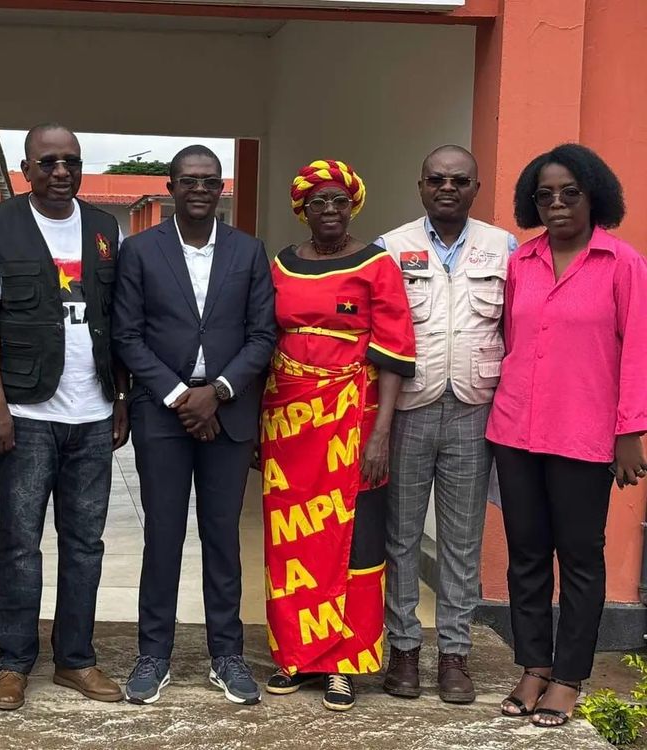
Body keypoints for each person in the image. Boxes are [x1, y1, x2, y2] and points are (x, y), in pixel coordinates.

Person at [0, 123, 129, 711]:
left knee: (85, 543)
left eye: (71, 162)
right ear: (26, 169)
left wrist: (122, 398)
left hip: (93, 412)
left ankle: (75, 659)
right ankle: (13, 662)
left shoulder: (106, 229)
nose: (61, 172)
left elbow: (120, 319)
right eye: (48, 162)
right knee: (19, 542)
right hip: (26, 411)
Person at [488, 143, 647, 727]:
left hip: (584, 434)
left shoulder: (622, 263)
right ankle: (534, 666)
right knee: (526, 555)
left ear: (593, 196)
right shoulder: (522, 262)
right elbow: (511, 340)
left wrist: (630, 431)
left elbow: (638, 350)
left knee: (580, 557)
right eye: (545, 195)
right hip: (516, 430)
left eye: (569, 193)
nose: (556, 204)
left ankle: (569, 676)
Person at [113, 145, 276, 706]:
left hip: (228, 413)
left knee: (222, 537)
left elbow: (263, 335)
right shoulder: (140, 250)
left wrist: (219, 392)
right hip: (163, 412)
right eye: (189, 180)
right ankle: (153, 655)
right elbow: (127, 335)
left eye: (210, 180)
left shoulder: (248, 251)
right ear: (171, 188)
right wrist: (182, 396)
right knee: (162, 536)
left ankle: (226, 655)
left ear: (221, 187)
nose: (200, 189)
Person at [262, 159, 415, 712]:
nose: (329, 210)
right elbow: (263, 336)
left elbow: (395, 353)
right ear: (302, 209)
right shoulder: (281, 265)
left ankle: (343, 664)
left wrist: (381, 435)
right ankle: (295, 654)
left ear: (353, 206)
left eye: (339, 201)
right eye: (318, 202)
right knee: (291, 539)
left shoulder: (377, 265)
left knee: (355, 538)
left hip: (355, 418)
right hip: (287, 421)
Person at [375, 146, 518, 704]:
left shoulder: (503, 247)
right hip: (409, 408)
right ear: (421, 186)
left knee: (461, 539)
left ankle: (454, 654)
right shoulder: (392, 247)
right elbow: (379, 338)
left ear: (476, 188)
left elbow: (515, 328)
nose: (447, 188)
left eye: (459, 180)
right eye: (436, 179)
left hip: (473, 409)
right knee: (402, 536)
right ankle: (404, 649)